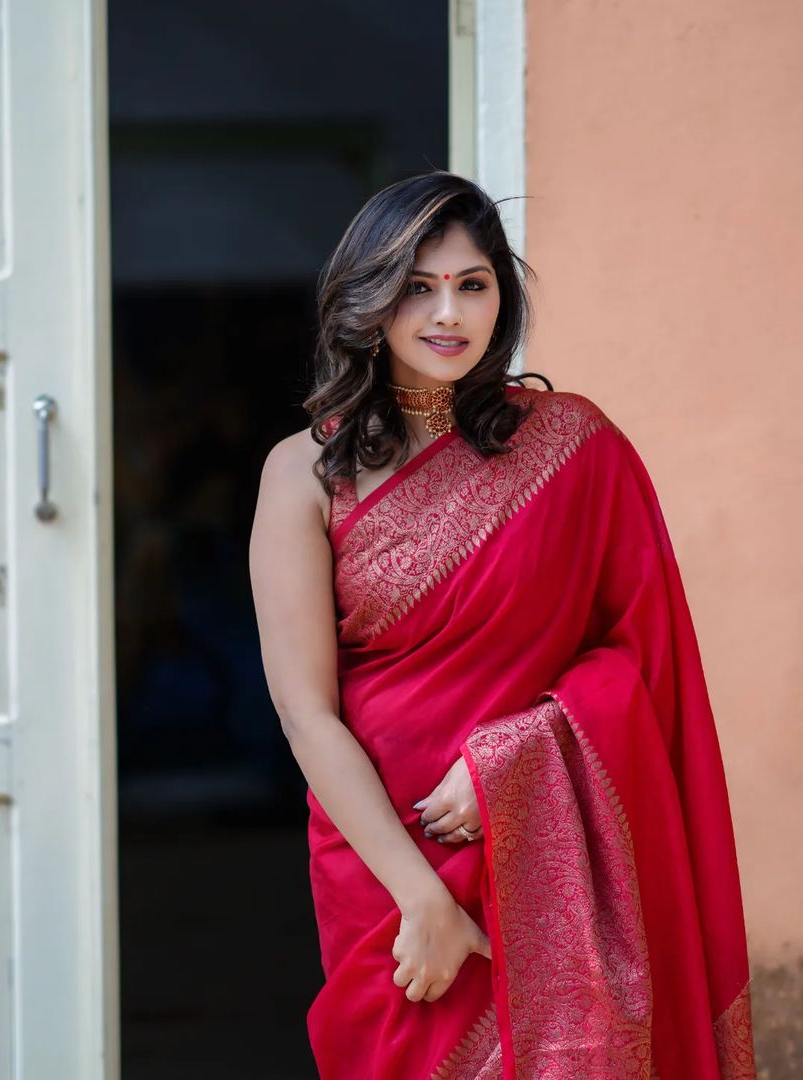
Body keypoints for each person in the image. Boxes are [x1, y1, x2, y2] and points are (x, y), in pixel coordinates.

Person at [248, 171, 755, 1078]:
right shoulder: (302, 475)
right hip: (384, 855)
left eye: (472, 284)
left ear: (500, 297)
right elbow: (305, 711)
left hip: (534, 848)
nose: (448, 313)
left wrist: (516, 759)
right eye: (418, 285)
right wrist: (421, 900)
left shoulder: (574, 447)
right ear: (369, 300)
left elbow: (647, 660)